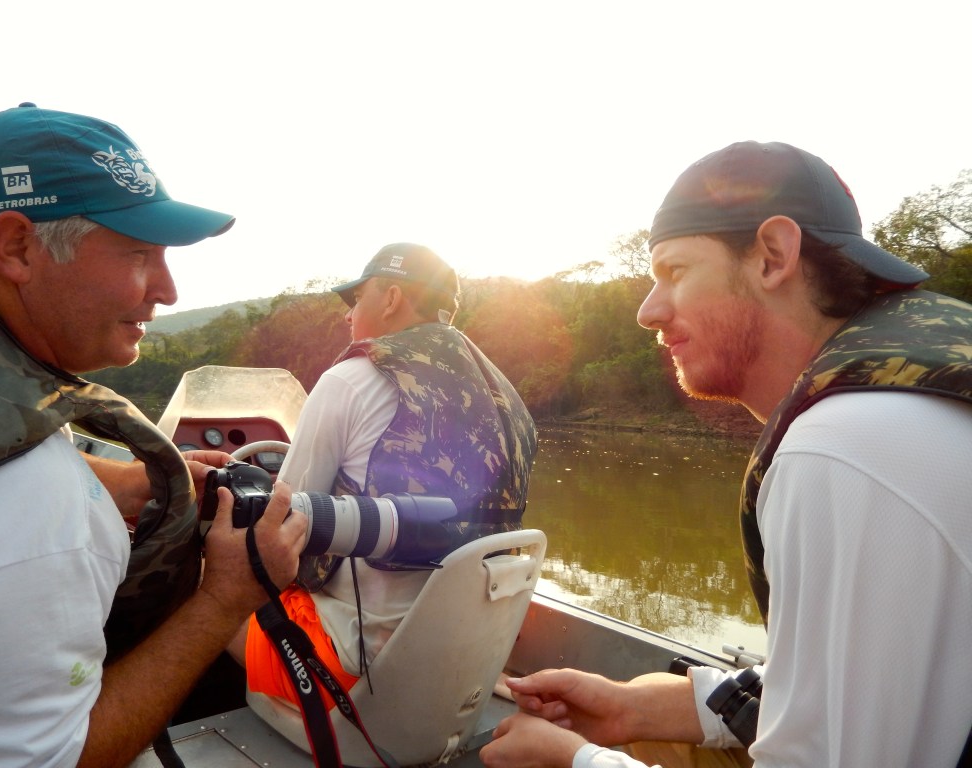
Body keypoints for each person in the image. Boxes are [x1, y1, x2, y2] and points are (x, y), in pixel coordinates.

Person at [481, 141, 972, 767]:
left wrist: (573, 761)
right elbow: (835, 686)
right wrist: (633, 707)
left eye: (674, 271)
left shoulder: (846, 446)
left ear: (773, 256)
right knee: (654, 723)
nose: (647, 310)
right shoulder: (914, 376)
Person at [0, 104, 307, 767]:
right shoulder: (32, 510)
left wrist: (132, 481)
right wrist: (226, 597)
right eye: (139, 253)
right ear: (17, 247)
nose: (168, 290)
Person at [231, 242, 537, 712]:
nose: (348, 317)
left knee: (204, 582)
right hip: (465, 666)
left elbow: (281, 525)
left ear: (391, 298)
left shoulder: (349, 381)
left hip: (357, 675)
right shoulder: (509, 402)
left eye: (356, 300)